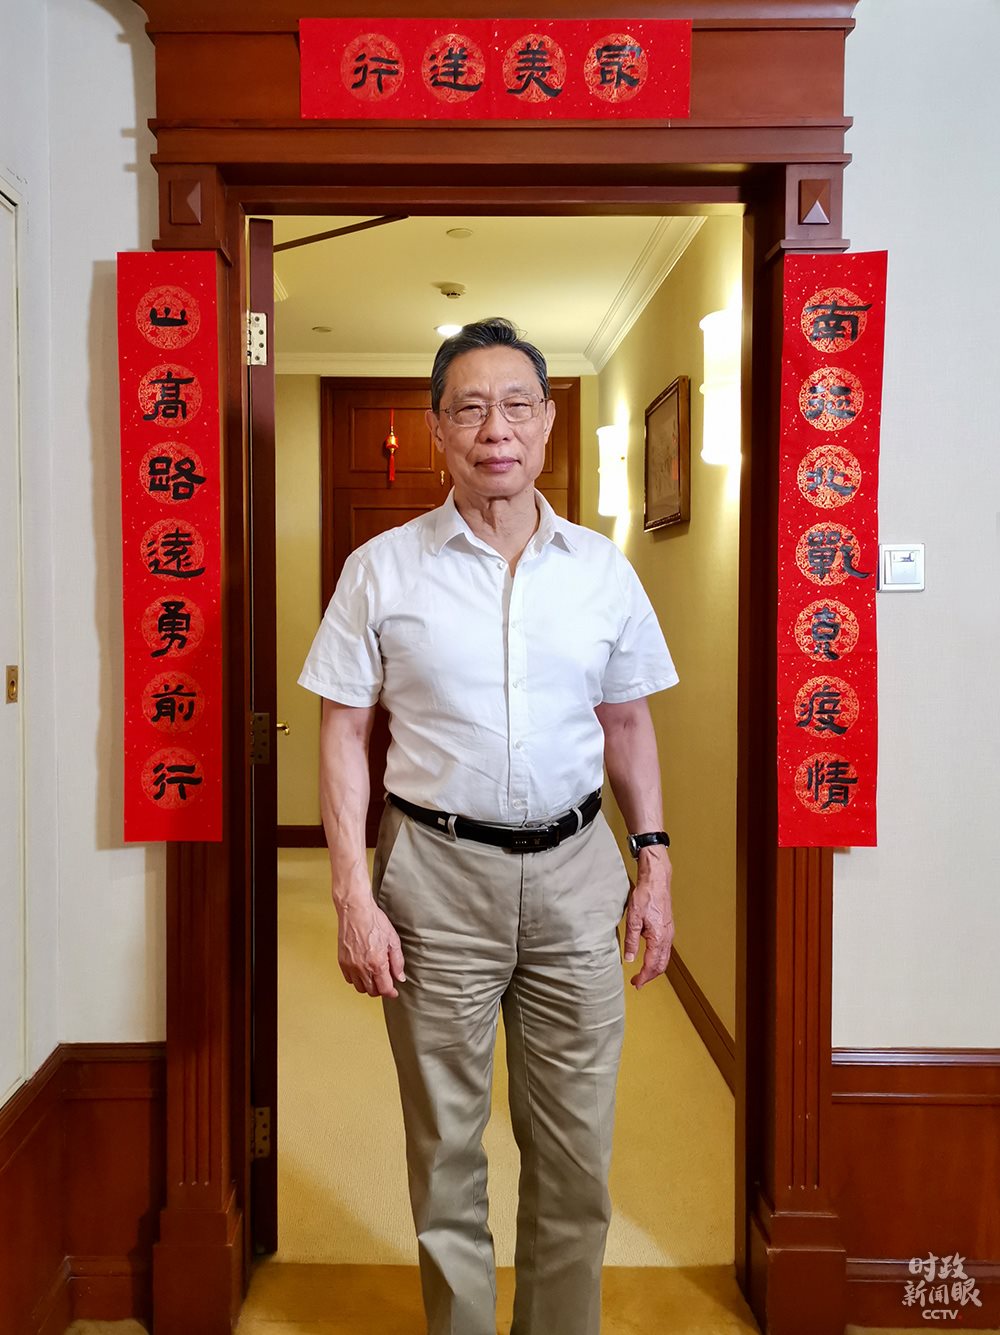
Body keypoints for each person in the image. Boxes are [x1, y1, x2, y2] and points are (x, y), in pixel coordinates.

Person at [298, 317, 678, 1335]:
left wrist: (652, 863)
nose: (494, 428)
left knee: (576, 1152)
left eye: (515, 405)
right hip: (433, 875)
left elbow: (627, 722)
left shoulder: (601, 570)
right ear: (437, 430)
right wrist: (351, 894)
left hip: (576, 874)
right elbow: (343, 732)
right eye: (468, 408)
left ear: (547, 423)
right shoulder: (380, 569)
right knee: (445, 1151)